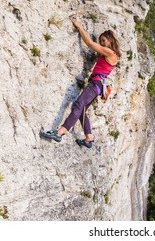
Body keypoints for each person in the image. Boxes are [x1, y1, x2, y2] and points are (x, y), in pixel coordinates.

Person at [40, 18, 120, 148]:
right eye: (101, 41)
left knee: (77, 105)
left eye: (104, 41)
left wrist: (79, 27)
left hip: (95, 85)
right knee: (81, 111)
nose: (102, 43)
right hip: (98, 86)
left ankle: (59, 133)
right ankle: (89, 138)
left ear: (111, 40)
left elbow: (89, 43)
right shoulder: (110, 54)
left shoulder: (110, 52)